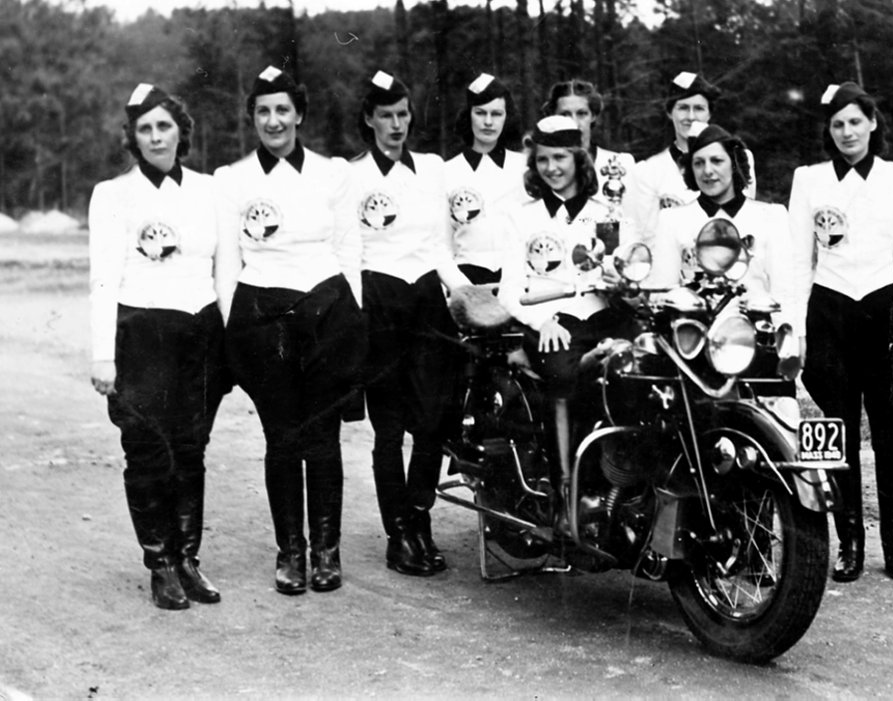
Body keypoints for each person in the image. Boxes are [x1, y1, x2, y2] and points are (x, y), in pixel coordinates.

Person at [214, 66, 365, 595]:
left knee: (322, 438)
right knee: (281, 439)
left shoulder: (332, 174)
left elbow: (349, 251)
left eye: (283, 110)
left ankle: (327, 551)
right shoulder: (232, 180)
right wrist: (233, 331)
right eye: (263, 111)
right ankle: (290, 553)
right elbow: (228, 263)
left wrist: (354, 323)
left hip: (327, 311)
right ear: (252, 118)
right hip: (263, 318)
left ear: (299, 114)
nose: (274, 120)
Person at [88, 83, 229, 610]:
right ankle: (160, 563)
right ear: (133, 137)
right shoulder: (112, 194)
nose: (155, 136)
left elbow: (221, 268)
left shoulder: (208, 189)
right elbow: (103, 279)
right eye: (144, 128)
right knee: (148, 453)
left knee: (191, 449)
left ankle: (188, 557)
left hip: (199, 333)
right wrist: (103, 353)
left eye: (164, 125)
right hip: (141, 335)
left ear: (181, 131)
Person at [789, 81, 893, 583]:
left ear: (872, 123)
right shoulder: (808, 180)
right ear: (829, 131)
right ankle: (848, 541)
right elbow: (794, 259)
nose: (848, 132)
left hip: (884, 308)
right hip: (829, 310)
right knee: (834, 428)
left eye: (856, 121)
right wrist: (796, 328)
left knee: (890, 430)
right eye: (838, 124)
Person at [352, 70, 471, 576]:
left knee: (432, 422)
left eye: (403, 114)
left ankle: (418, 517)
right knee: (388, 429)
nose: (397, 125)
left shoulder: (432, 169)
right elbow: (349, 251)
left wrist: (464, 289)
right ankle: (397, 534)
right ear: (369, 120)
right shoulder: (351, 175)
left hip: (426, 299)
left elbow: (440, 248)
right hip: (377, 302)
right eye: (386, 116)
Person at [497, 115, 629, 530]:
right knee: (564, 376)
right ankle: (567, 494)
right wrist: (541, 321)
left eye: (560, 158)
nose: (551, 168)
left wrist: (619, 278)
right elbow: (509, 288)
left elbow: (620, 276)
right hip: (554, 322)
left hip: (605, 316)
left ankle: (626, 484)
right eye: (542, 160)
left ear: (580, 159)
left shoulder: (606, 213)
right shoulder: (521, 217)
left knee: (646, 374)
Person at [644, 121, 793, 322]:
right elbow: (663, 292)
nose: (707, 171)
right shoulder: (672, 220)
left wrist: (789, 344)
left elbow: (785, 292)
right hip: (692, 339)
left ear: (733, 164)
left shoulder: (771, 217)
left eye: (716, 161)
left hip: (755, 339)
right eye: (699, 163)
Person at [632, 71, 757, 241]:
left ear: (709, 113)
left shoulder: (737, 158)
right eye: (683, 108)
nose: (691, 117)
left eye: (699, 108)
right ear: (670, 112)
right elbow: (648, 236)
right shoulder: (649, 171)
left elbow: (746, 220)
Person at [444, 72, 526, 285]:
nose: (488, 122)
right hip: (467, 279)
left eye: (497, 114)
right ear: (468, 115)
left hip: (517, 278)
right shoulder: (447, 172)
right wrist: (459, 288)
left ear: (507, 117)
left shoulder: (524, 167)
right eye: (480, 113)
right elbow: (442, 243)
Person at [542, 79, 636, 225]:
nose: (574, 122)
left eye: (582, 113)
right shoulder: (543, 168)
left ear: (593, 115)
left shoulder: (620, 164)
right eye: (565, 114)